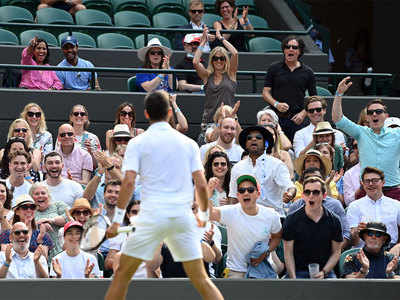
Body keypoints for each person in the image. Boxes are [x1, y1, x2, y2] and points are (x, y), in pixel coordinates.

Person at [104, 90, 223, 300]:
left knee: (121, 275)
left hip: (152, 217)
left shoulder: (137, 143)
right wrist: (203, 218)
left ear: (146, 114)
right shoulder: (188, 144)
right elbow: (202, 185)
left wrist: (115, 221)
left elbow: (129, 182)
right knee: (201, 279)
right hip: (181, 218)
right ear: (169, 112)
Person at [332, 77, 400, 200]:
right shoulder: (361, 132)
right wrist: (338, 94)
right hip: (367, 190)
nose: (374, 114)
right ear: (367, 118)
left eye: (379, 111)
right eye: (370, 112)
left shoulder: (397, 133)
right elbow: (338, 119)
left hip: (392, 190)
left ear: (386, 116)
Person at [209, 174, 282, 278]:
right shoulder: (230, 212)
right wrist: (208, 190)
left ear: (258, 193)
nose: (246, 193)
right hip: (236, 271)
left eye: (250, 190)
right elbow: (207, 213)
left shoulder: (271, 215)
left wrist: (265, 253)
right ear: (238, 195)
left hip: (262, 269)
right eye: (242, 190)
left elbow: (277, 236)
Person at [283, 177, 343, 278]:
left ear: (324, 195)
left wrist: (324, 272)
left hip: (325, 271)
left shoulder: (334, 220)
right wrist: (293, 280)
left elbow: (336, 252)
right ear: (302, 195)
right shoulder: (291, 220)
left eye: (316, 192)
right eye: (307, 192)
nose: (311, 196)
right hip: (298, 271)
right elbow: (288, 253)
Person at [229, 125, 295, 217]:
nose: (253, 140)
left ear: (265, 144)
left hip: (273, 216)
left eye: (258, 138)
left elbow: (290, 187)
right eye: (249, 138)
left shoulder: (276, 165)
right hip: (246, 218)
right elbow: (233, 197)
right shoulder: (237, 167)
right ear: (246, 145)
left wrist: (290, 194)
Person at [262, 36, 316, 142]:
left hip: (297, 119)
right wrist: (276, 104)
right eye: (287, 47)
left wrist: (303, 113)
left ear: (299, 51)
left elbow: (314, 98)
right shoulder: (274, 68)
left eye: (294, 47)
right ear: (284, 50)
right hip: (276, 117)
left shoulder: (308, 72)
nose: (290, 49)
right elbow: (265, 92)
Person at [194, 26, 238, 140]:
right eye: (215, 58)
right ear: (212, 60)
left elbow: (235, 53)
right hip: (210, 121)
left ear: (225, 60)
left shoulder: (231, 74)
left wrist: (221, 38)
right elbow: (195, 62)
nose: (219, 61)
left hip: (229, 121)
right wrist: (203, 42)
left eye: (222, 58)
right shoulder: (207, 76)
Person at [288, 167, 350, 247]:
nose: (312, 182)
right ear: (302, 183)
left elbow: (346, 234)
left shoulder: (335, 205)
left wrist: (334, 253)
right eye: (308, 179)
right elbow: (288, 236)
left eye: (316, 179)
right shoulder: (295, 207)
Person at [347, 167, 400, 249]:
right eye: (367, 181)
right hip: (363, 251)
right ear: (362, 184)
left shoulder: (396, 205)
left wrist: (398, 247)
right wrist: (357, 232)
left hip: (390, 250)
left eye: (375, 180)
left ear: (383, 182)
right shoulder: (354, 206)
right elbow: (353, 242)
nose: (371, 184)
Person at [31, 183, 68, 262]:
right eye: (36, 194)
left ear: (49, 195)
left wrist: (51, 221)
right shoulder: (29, 211)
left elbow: (68, 218)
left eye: (43, 193)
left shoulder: (58, 205)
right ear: (31, 197)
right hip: (38, 252)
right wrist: (39, 224)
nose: (40, 196)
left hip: (60, 250)